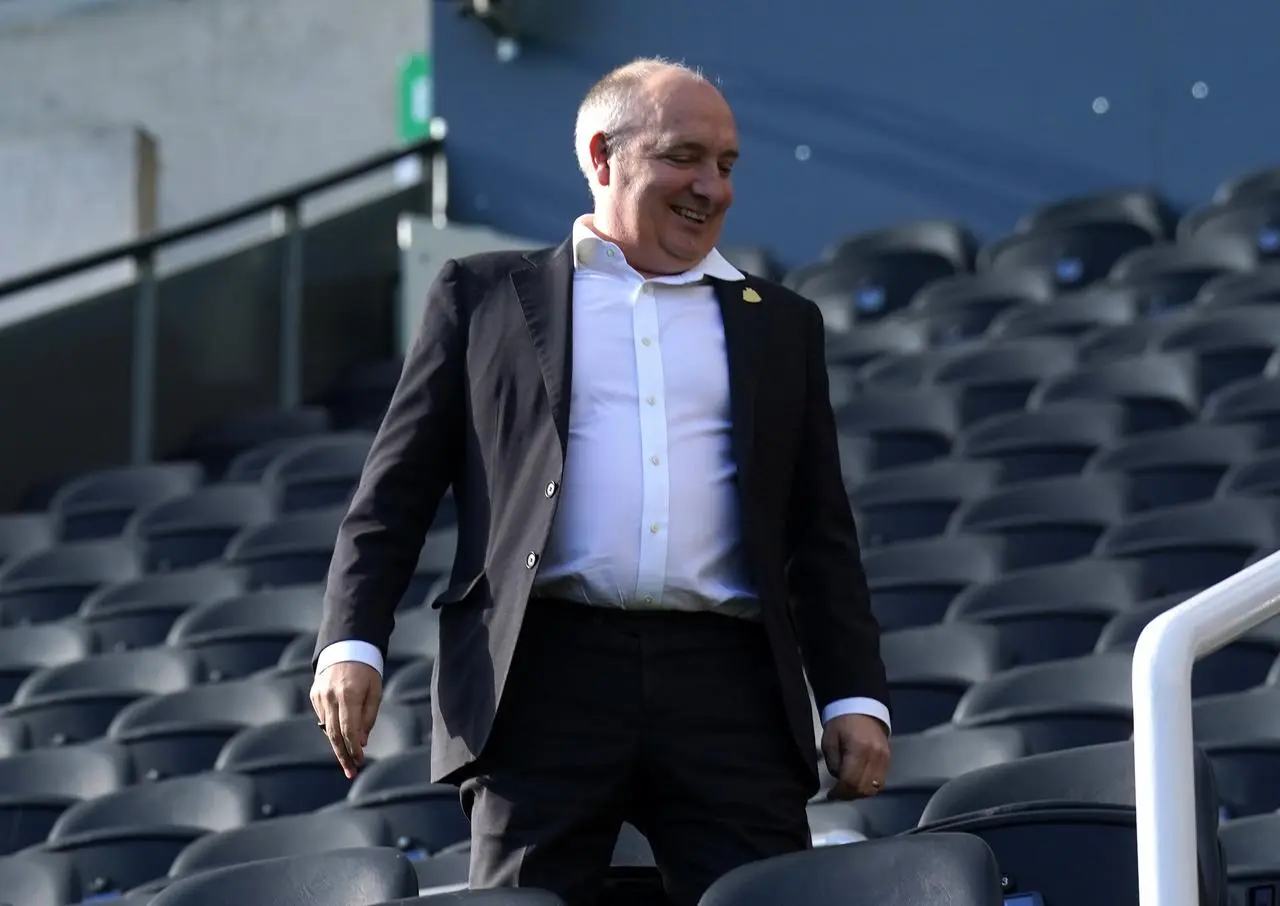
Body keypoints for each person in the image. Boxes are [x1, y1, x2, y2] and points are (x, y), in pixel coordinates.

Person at [311, 57, 892, 906]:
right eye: (684, 157)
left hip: (728, 686)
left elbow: (819, 534)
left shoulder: (783, 327)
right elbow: (392, 496)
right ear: (601, 155)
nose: (712, 187)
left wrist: (853, 696)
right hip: (541, 679)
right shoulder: (481, 298)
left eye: (727, 166)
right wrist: (351, 642)